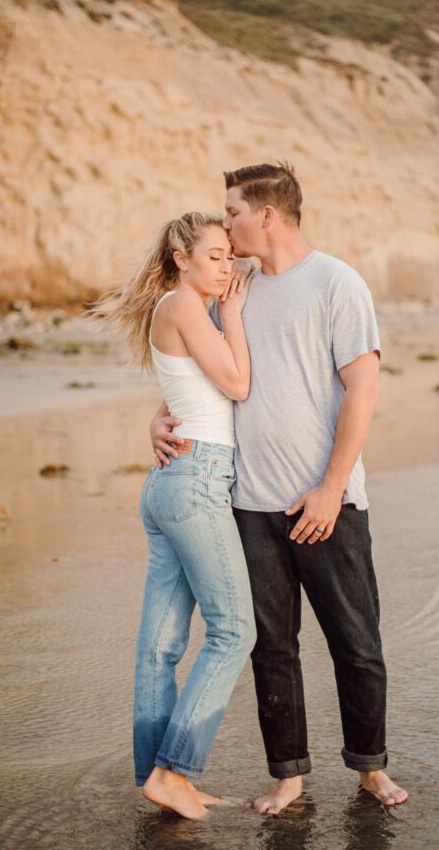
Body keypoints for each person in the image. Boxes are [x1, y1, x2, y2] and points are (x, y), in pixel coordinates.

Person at [151, 164, 408, 815]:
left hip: (326, 503)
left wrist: (330, 487)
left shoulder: (336, 283)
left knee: (356, 641)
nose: (225, 222)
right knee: (273, 648)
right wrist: (158, 417)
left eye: (232, 210)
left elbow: (364, 388)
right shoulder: (232, 288)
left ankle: (371, 769)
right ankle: (288, 774)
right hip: (247, 504)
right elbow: (198, 369)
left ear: (267, 214)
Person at [97, 211, 256, 820]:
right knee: (234, 630)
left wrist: (159, 419)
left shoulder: (181, 309)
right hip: (195, 482)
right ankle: (176, 769)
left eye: (229, 256)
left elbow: (190, 390)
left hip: (174, 480)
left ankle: (159, 777)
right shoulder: (188, 306)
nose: (227, 267)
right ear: (182, 258)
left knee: (161, 645)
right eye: (214, 256)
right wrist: (236, 317)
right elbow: (238, 385)